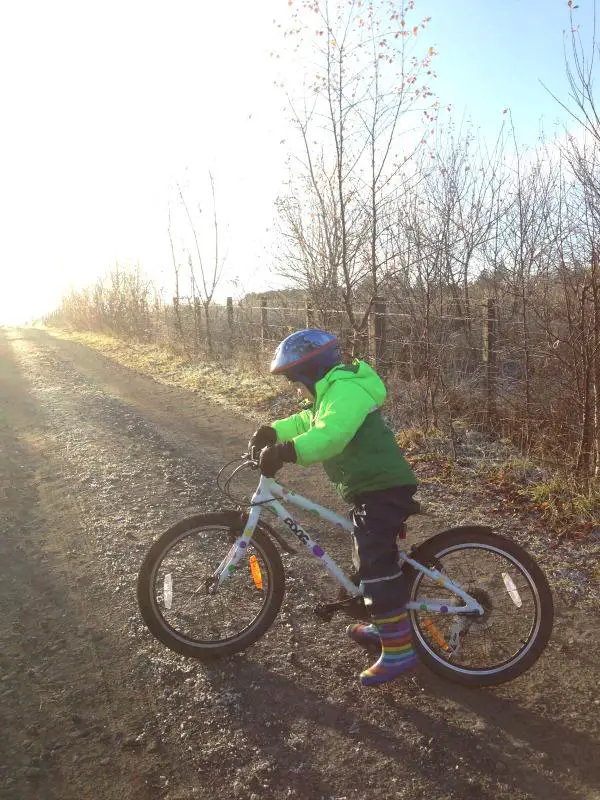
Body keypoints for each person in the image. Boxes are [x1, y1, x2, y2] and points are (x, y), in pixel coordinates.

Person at [248, 328, 419, 687]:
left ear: (311, 374)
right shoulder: (329, 394)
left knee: (375, 560)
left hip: (383, 486)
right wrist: (271, 432)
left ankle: (400, 648)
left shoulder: (346, 391)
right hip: (368, 488)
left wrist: (286, 452)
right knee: (364, 558)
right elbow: (307, 421)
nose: (296, 390)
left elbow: (331, 435)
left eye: (297, 382)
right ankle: (382, 624)